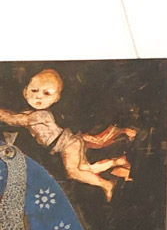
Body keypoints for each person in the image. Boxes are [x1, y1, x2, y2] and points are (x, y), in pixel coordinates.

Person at [0, 70, 135, 201]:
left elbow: (15, 120)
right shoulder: (30, 113)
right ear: (25, 92)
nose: (38, 96)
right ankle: (117, 161)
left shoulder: (39, 115)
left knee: (73, 172)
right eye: (34, 90)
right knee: (85, 169)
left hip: (67, 145)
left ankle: (107, 185)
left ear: (56, 98)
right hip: (70, 142)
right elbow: (16, 117)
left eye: (47, 93)